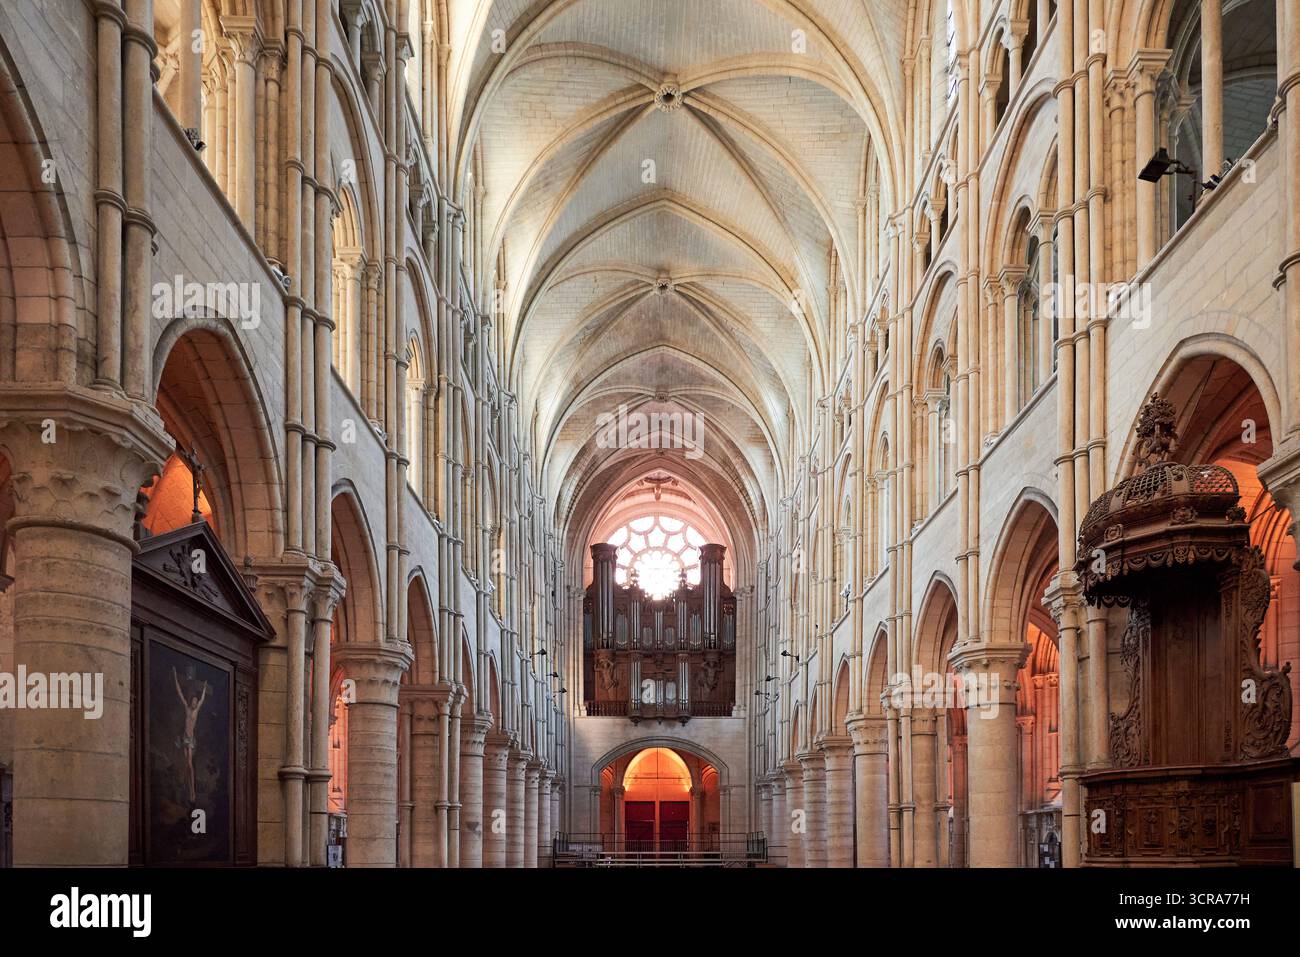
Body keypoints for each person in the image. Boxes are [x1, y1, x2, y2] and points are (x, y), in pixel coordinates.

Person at [172, 667, 209, 803]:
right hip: (185, 738)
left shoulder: (196, 711)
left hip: (191, 740)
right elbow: (180, 692)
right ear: (190, 702)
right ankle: (189, 791)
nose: (194, 703)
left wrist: (204, 688)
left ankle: (192, 792)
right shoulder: (187, 709)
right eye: (192, 701)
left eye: (195, 702)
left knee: (189, 764)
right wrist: (175, 676)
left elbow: (203, 699)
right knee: (187, 765)